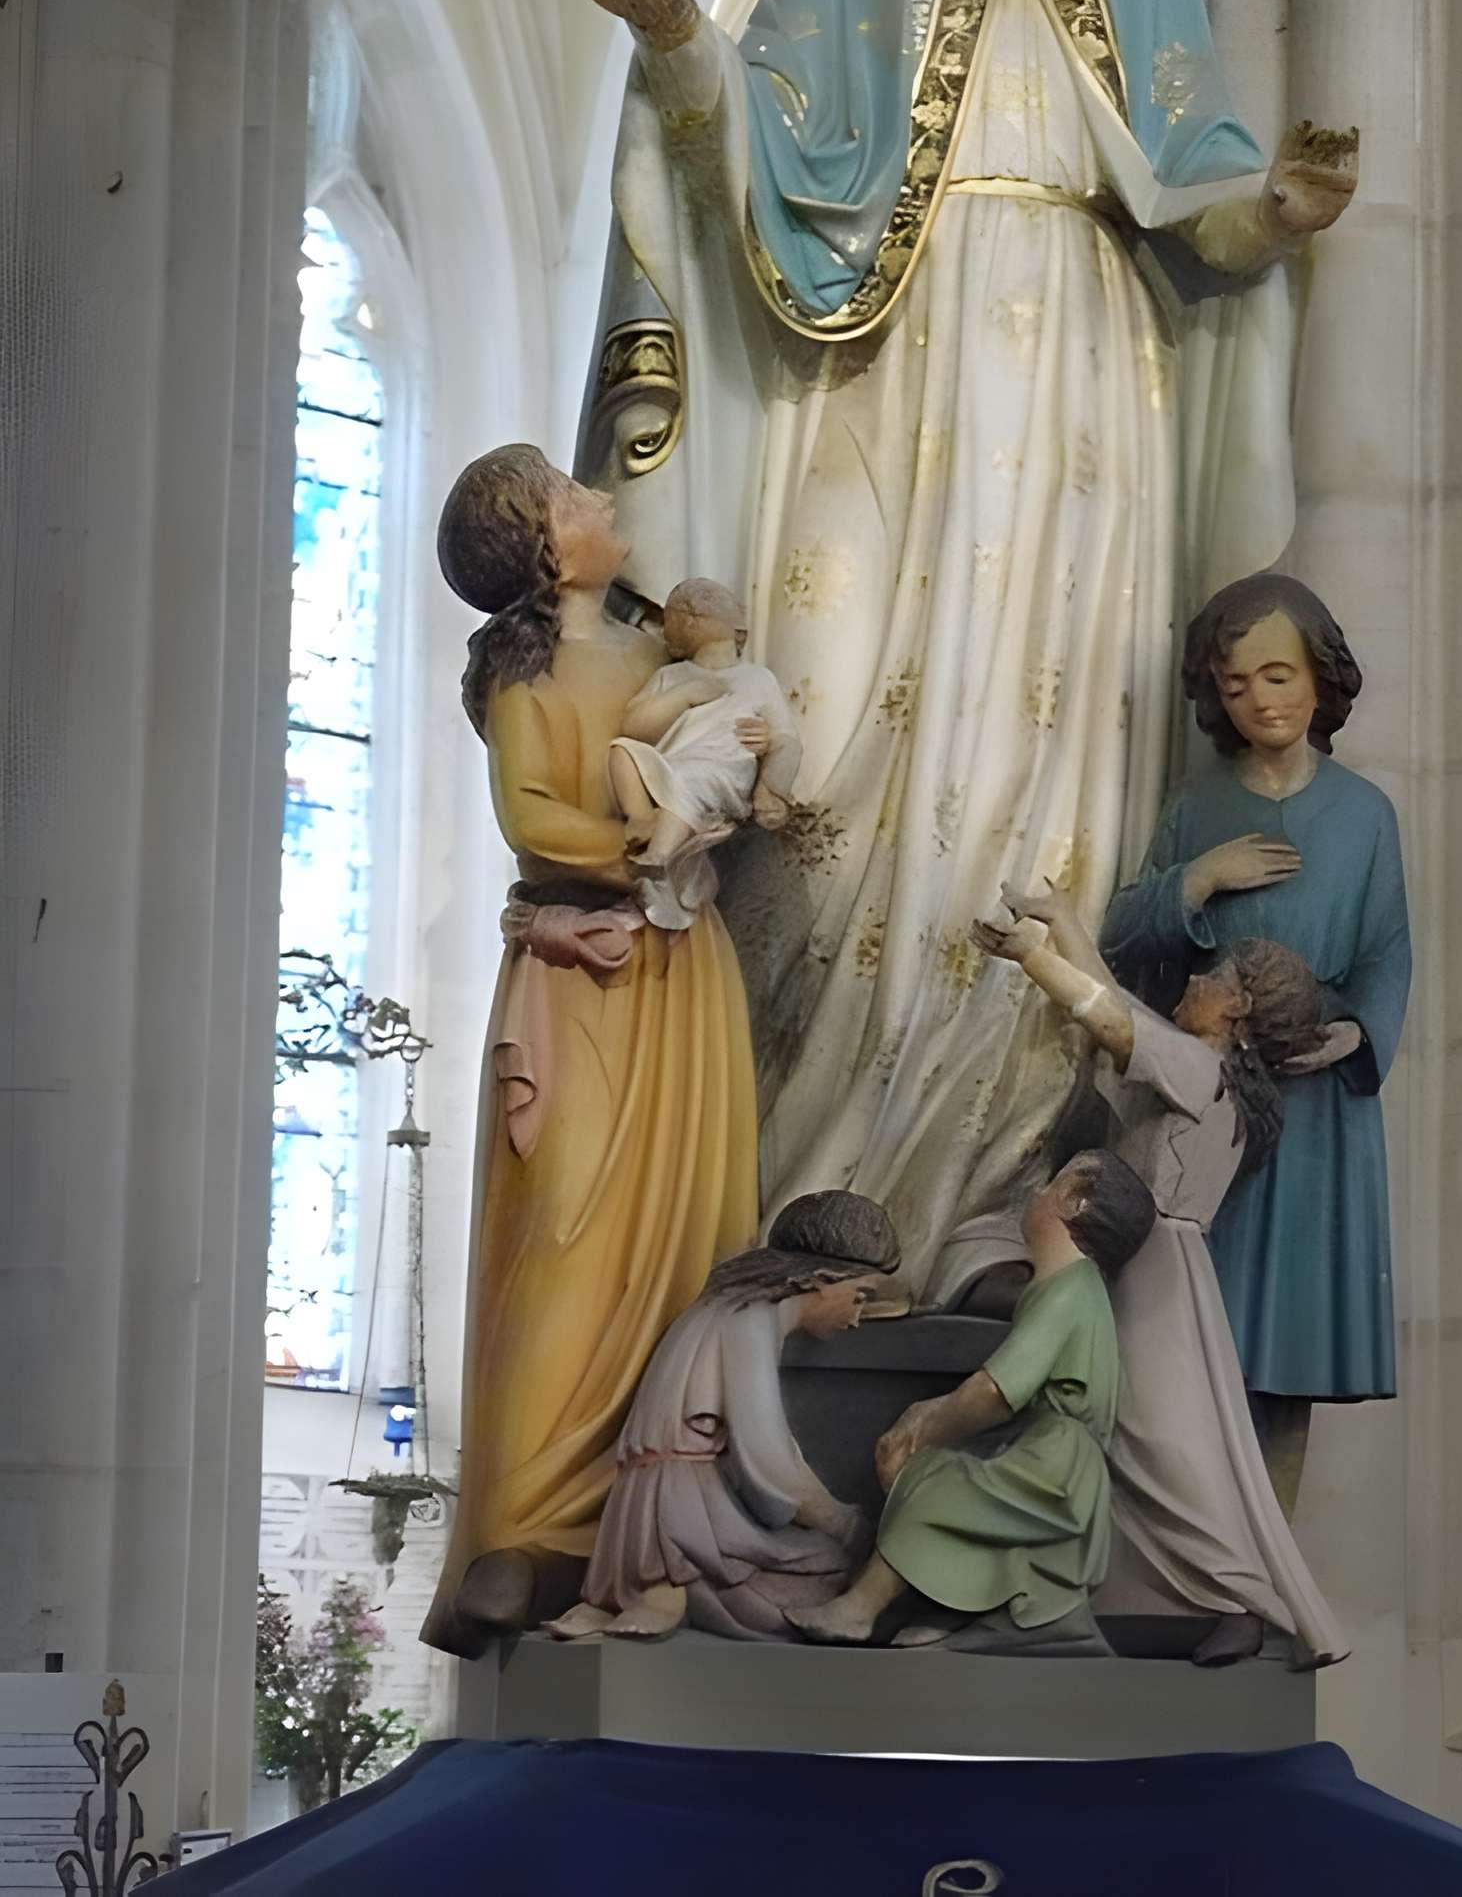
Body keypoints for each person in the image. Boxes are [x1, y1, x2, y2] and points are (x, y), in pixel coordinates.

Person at [564, 0, 1357, 1303]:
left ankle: (998, 1207)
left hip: (1083, 390)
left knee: (1041, 778)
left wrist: (1280, 211)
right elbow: (744, 161)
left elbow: (1195, 200)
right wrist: (680, 29)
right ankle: (801, 1195)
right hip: (880, 368)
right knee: (827, 744)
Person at [420, 446, 760, 1658]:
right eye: (574, 498)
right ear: (546, 550)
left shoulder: (658, 653)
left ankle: (657, 1521)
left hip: (678, 972)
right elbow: (530, 814)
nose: (602, 502)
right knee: (564, 1232)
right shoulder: (522, 672)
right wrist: (643, 848)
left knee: (685, 1236)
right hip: (582, 972)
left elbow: (722, 741)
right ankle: (521, 1530)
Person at [1099, 574, 1411, 1516]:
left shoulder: (1364, 815)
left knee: (1289, 1352)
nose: (1262, 699)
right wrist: (1197, 879)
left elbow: (1388, 952)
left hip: (1316, 1116)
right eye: (1237, 685)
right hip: (1209, 1100)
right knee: (1195, 1335)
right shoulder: (1196, 807)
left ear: (1321, 678)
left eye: (1279, 675)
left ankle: (1266, 1571)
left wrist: (1355, 1030)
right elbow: (1121, 936)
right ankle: (1199, 1552)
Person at [975, 887, 1350, 1669]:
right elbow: (1115, 1006)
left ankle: (1247, 1602)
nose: (1191, 983)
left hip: (1152, 1274)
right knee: (1140, 1439)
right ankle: (1161, 1598)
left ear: (1237, 1008)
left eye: (1209, 977)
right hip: (1152, 1263)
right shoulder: (1205, 1068)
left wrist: (1033, 956)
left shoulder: (1198, 1067)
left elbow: (1107, 1018)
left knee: (1167, 1445)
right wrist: (1064, 921)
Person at [781, 1150, 1155, 1651]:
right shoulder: (1063, 1288)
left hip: (1057, 1463)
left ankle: (858, 1609)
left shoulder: (1070, 1290)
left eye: (1052, 1184)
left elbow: (995, 1392)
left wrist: (921, 1426)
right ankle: (955, 1611)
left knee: (938, 1484)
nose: (1038, 1193)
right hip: (1049, 1451)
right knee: (954, 1488)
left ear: (1073, 1199)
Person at [548, 1192, 907, 1644]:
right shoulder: (749, 1323)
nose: (857, 1318)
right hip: (679, 1511)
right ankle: (666, 1586)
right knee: (827, 1569)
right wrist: (848, 1525)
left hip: (659, 1501)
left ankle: (657, 1586)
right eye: (859, 1296)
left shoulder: (726, 1311)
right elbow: (770, 1467)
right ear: (819, 1279)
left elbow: (769, 1454)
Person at [607, 575, 801, 931]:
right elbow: (634, 726)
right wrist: (684, 696)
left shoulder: (757, 680)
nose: (671, 631)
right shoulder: (673, 676)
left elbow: (787, 741)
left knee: (693, 779)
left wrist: (770, 787)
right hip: (670, 766)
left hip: (721, 774)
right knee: (622, 752)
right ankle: (641, 820)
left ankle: (659, 859)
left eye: (677, 620)